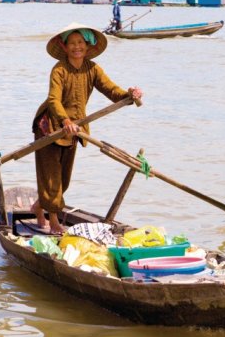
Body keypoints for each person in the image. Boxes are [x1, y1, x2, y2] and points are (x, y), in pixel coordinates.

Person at [30, 23, 142, 234]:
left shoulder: (93, 69)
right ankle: (53, 221)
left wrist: (129, 94)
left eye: (80, 42)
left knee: (64, 179)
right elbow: (54, 100)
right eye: (71, 43)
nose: (76, 47)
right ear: (64, 47)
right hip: (50, 127)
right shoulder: (59, 69)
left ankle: (38, 206)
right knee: (51, 176)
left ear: (88, 46)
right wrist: (64, 121)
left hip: (75, 128)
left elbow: (111, 90)